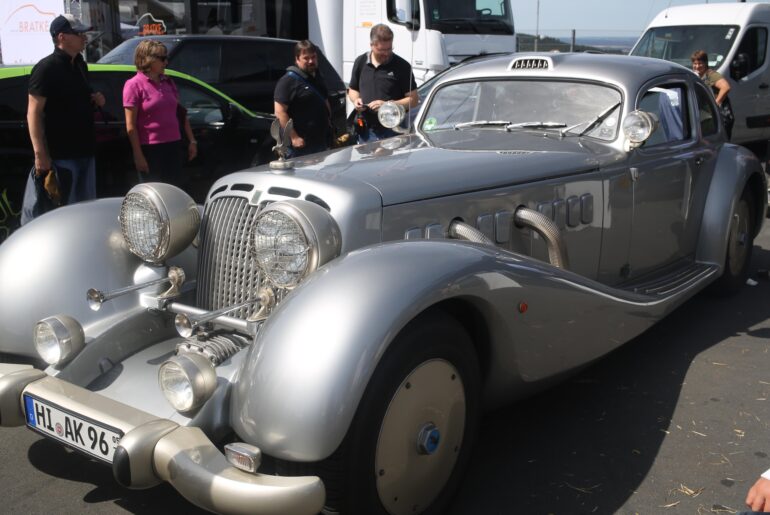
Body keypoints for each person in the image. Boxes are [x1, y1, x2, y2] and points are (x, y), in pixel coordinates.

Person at [26, 14, 106, 210]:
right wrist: (40, 154)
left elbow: (76, 99)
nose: (84, 38)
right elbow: (33, 113)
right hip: (61, 156)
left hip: (86, 150)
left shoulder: (80, 64)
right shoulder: (46, 68)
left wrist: (97, 99)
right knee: (64, 213)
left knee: (86, 210)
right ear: (62, 37)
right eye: (78, 33)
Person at [123, 39, 196, 187]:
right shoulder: (133, 85)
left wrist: (192, 141)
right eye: (162, 58)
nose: (166, 62)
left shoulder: (168, 82)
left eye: (166, 58)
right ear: (148, 60)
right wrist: (138, 155)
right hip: (150, 148)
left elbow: (181, 114)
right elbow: (131, 125)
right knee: (154, 194)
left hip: (174, 145)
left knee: (174, 191)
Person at [348, 24, 418, 143]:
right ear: (371, 46)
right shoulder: (360, 62)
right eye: (381, 50)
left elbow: (414, 100)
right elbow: (352, 90)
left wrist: (387, 105)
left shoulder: (402, 66)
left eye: (389, 49)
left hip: (393, 132)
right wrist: (356, 100)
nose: (386, 54)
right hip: (365, 131)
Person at [273, 40, 332, 158]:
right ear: (297, 59)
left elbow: (325, 101)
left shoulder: (318, 76)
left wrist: (328, 122)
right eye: (306, 58)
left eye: (313, 57)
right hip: (300, 147)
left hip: (320, 143)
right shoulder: (288, 81)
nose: (311, 61)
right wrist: (294, 137)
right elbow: (279, 112)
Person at [691, 49, 734, 139]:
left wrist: (715, 104)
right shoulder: (696, 76)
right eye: (695, 64)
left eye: (700, 63)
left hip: (721, 117)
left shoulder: (711, 75)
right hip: (708, 119)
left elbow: (726, 87)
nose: (697, 66)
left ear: (706, 63)